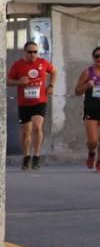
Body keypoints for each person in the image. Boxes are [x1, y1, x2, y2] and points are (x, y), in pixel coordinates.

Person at [6, 40, 57, 170]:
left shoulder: (43, 63)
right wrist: (19, 82)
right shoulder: (18, 65)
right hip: (24, 103)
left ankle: (37, 157)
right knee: (25, 132)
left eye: (35, 52)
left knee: (37, 127)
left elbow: (54, 71)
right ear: (25, 52)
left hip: (40, 101)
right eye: (30, 52)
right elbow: (7, 81)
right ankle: (26, 157)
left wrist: (51, 85)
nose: (33, 54)